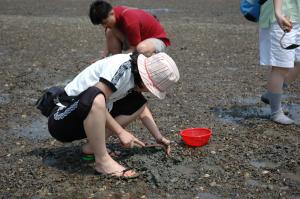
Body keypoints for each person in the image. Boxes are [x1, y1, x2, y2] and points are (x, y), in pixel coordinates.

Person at [47, 52, 180, 178]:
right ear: (145, 80)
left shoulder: (134, 74)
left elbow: (142, 108)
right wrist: (120, 132)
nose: (150, 91)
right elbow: (94, 99)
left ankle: (92, 148)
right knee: (96, 96)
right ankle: (103, 162)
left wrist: (158, 137)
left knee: (138, 102)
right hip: (62, 120)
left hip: (87, 118)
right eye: (151, 88)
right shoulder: (122, 68)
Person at [259, 0, 300, 124]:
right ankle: (276, 112)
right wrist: (278, 11)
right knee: (281, 66)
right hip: (282, 16)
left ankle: (271, 94)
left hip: (297, 16)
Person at [89, 0, 171, 57]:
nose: (104, 26)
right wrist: (103, 57)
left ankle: (156, 63)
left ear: (111, 13)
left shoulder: (129, 20)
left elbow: (134, 48)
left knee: (141, 49)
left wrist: (122, 58)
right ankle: (116, 62)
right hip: (136, 41)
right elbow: (109, 43)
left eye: (105, 22)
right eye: (102, 24)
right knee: (109, 31)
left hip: (156, 41)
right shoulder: (114, 15)